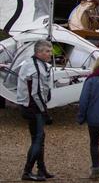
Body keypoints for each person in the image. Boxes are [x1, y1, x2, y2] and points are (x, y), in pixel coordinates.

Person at [17, 39, 54, 181]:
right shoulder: (34, 67)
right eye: (47, 51)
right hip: (33, 108)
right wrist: (44, 112)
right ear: (38, 53)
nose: (50, 53)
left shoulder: (37, 64)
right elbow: (35, 93)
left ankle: (41, 169)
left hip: (31, 106)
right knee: (38, 139)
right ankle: (27, 172)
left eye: (50, 51)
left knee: (39, 138)